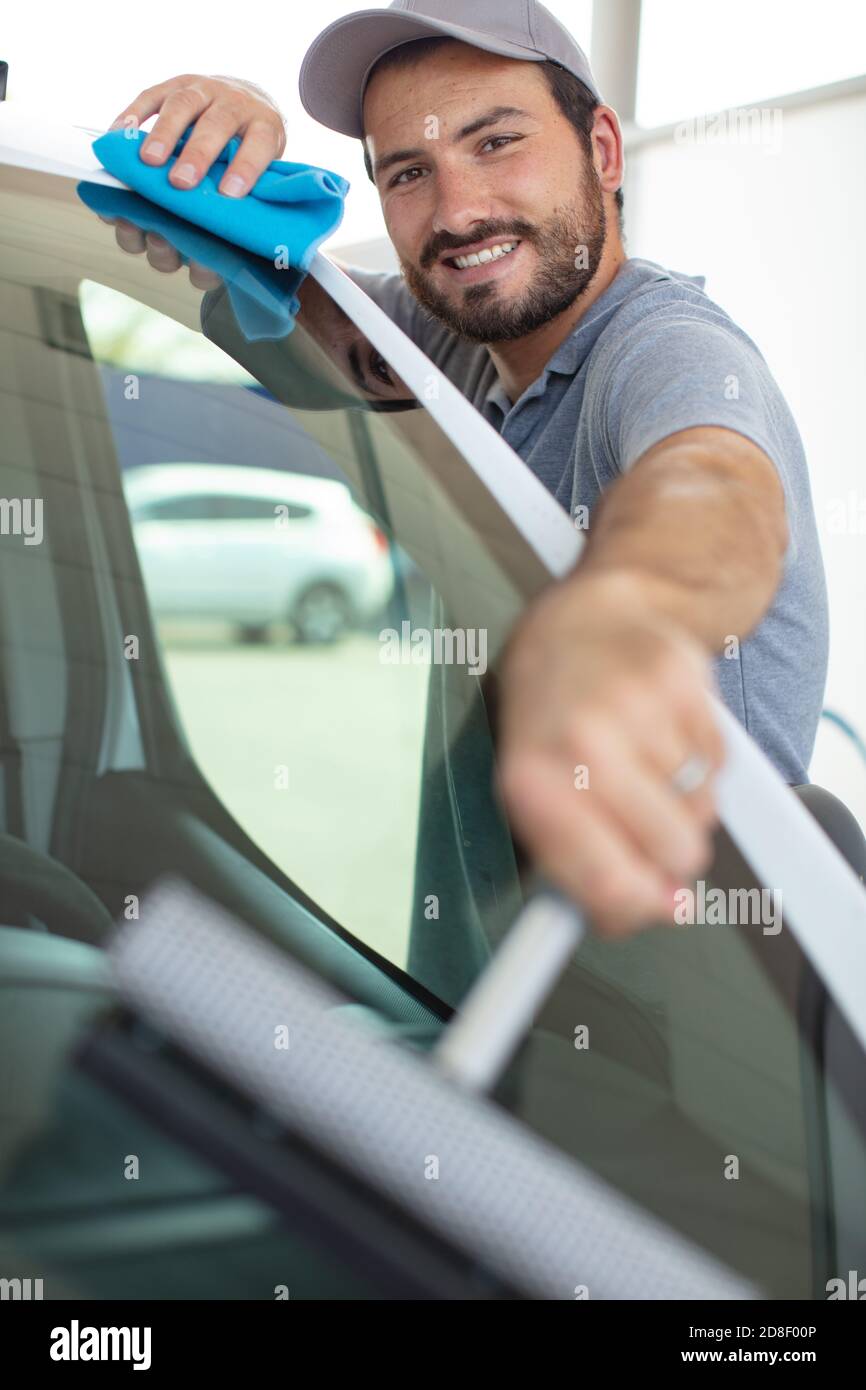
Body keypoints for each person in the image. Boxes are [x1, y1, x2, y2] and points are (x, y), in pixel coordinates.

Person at [108, 0, 828, 936]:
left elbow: (714, 488)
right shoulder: (451, 337)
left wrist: (621, 614)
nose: (456, 212)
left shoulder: (665, 349)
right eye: (409, 172)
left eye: (496, 143)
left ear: (604, 151)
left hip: (684, 1005)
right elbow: (273, 272)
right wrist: (227, 120)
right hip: (501, 998)